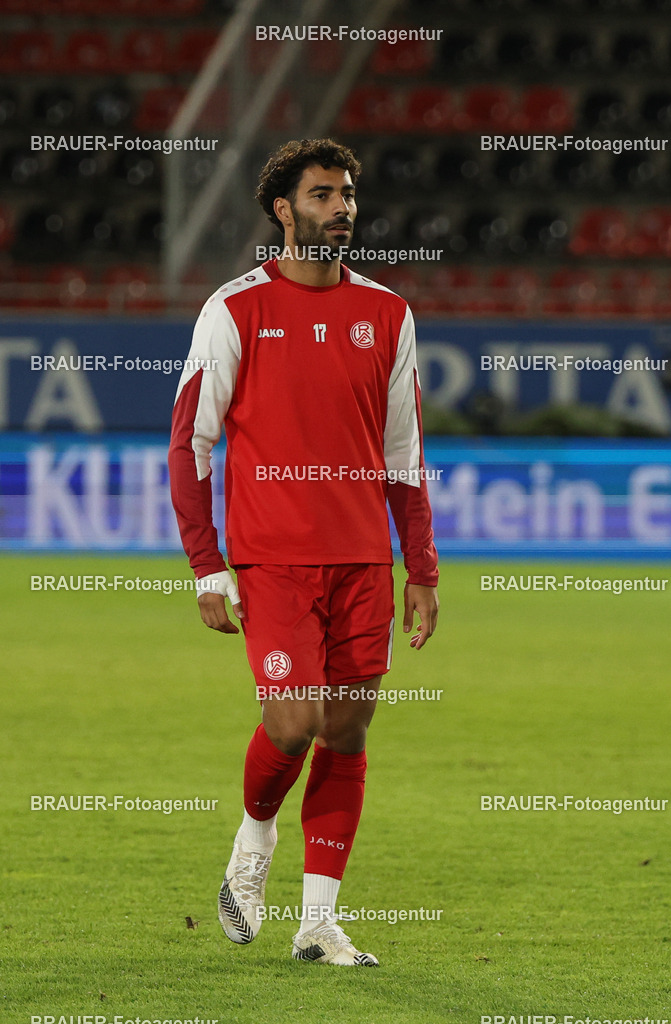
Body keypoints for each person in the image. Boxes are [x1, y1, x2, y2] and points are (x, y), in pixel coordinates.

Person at [168, 138, 439, 967]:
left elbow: (403, 453)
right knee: (295, 720)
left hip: (360, 559)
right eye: (323, 194)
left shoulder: (387, 313)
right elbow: (190, 444)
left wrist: (420, 567)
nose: (341, 207)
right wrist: (206, 565)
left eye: (347, 193)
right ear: (283, 210)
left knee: (346, 733)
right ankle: (253, 843)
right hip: (273, 559)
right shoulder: (234, 309)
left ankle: (318, 924)